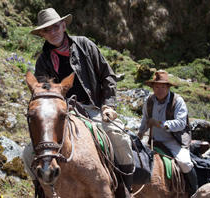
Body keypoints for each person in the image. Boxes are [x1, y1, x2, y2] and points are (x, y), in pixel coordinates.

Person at [22, 8, 134, 197]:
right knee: (27, 155)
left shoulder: (85, 45)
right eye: (46, 30)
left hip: (91, 107)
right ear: (42, 34)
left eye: (55, 27)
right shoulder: (43, 60)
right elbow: (43, 92)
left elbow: (107, 76)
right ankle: (41, 190)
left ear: (63, 25)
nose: (52, 32)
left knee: (120, 138)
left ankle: (124, 190)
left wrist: (109, 105)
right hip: (61, 113)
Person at [138, 70, 198, 196]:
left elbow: (181, 123)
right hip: (155, 139)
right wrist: (140, 135)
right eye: (157, 86)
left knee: (185, 163)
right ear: (153, 87)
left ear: (168, 87)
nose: (160, 90)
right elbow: (145, 119)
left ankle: (194, 191)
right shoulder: (149, 101)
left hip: (175, 140)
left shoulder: (177, 101)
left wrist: (160, 123)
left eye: (163, 87)